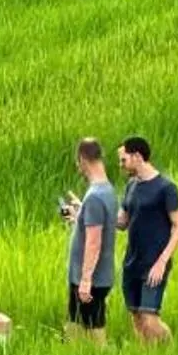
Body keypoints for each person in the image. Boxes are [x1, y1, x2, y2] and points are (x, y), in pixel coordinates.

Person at [116, 137, 178, 344]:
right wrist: (86, 213)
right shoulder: (131, 186)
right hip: (132, 262)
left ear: (137, 156)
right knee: (136, 317)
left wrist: (162, 263)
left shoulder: (166, 188)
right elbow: (122, 222)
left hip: (154, 263)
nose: (121, 165)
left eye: (123, 160)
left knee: (150, 318)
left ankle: (171, 351)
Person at [60, 139, 118, 343]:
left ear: (83, 160)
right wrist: (79, 215)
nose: (78, 167)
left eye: (78, 162)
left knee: (95, 328)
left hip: (91, 279)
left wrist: (86, 280)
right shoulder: (107, 190)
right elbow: (96, 225)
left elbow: (94, 241)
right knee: (74, 323)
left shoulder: (94, 197)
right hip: (93, 276)